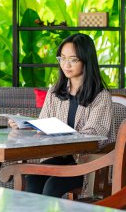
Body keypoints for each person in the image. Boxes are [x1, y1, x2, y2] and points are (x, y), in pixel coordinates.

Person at [8, 33, 112, 197]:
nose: (66, 65)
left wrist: (61, 132)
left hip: (87, 162)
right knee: (33, 180)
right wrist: (24, 125)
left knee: (53, 185)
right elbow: (43, 124)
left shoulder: (101, 96)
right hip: (59, 158)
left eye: (73, 59)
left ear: (86, 60)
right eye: (62, 58)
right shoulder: (55, 91)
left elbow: (95, 136)